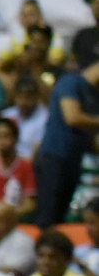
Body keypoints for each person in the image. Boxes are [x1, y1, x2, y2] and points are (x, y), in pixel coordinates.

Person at [38, 60, 99, 227]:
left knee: (60, 215)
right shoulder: (71, 82)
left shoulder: (95, 96)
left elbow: (91, 138)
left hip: (75, 159)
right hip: (56, 155)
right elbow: (72, 117)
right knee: (48, 213)